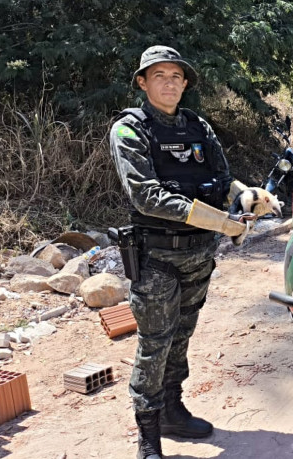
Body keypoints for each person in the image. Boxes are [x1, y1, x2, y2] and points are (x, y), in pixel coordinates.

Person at [109, 45, 253, 459]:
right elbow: (146, 197)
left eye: (176, 76)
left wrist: (244, 197)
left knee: (181, 337)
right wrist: (219, 223)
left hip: (198, 256)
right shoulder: (130, 130)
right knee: (155, 342)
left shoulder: (198, 127)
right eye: (159, 76)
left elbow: (222, 178)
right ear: (142, 82)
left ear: (185, 83)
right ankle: (148, 436)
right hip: (156, 257)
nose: (169, 83)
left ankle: (172, 409)